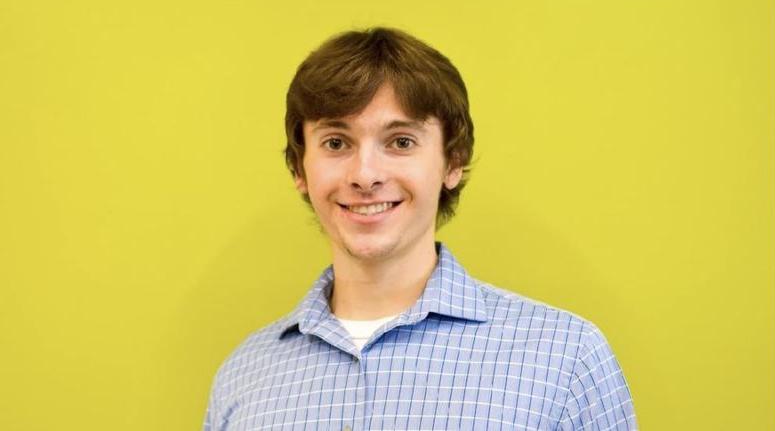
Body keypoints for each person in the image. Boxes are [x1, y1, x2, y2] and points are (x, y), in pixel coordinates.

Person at [203, 27, 637, 430]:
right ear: (300, 167)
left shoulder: (566, 358)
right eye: (336, 142)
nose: (365, 174)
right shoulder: (242, 377)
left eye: (401, 142)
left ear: (452, 161)